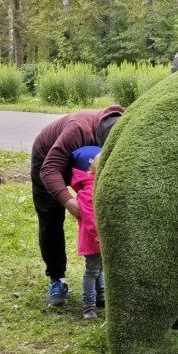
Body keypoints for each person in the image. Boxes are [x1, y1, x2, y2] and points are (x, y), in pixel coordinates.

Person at [31, 105, 124, 306]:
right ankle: (58, 279)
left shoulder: (125, 126)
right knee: (51, 217)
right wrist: (69, 202)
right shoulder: (78, 129)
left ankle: (101, 285)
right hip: (48, 161)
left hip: (89, 168)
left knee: (100, 216)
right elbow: (49, 170)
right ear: (100, 141)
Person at [70, 145, 104, 320]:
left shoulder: (96, 186)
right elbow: (91, 219)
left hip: (100, 238)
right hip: (94, 239)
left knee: (100, 269)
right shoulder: (89, 191)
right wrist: (99, 237)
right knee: (92, 271)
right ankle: (88, 307)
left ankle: (101, 297)